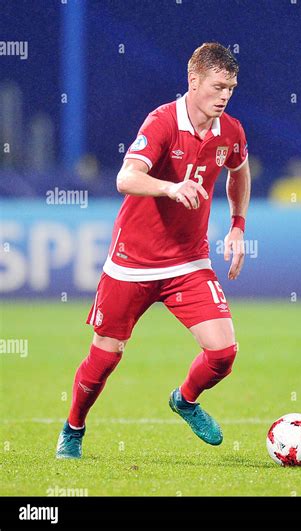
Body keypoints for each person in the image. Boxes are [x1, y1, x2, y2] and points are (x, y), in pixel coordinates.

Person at [56, 42, 251, 458]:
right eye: (218, 87)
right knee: (105, 357)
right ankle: (73, 428)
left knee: (223, 352)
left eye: (231, 89)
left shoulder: (230, 131)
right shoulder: (162, 122)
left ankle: (184, 399)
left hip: (188, 260)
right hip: (132, 262)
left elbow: (239, 170)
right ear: (193, 81)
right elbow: (126, 178)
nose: (224, 96)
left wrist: (237, 225)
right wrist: (169, 187)